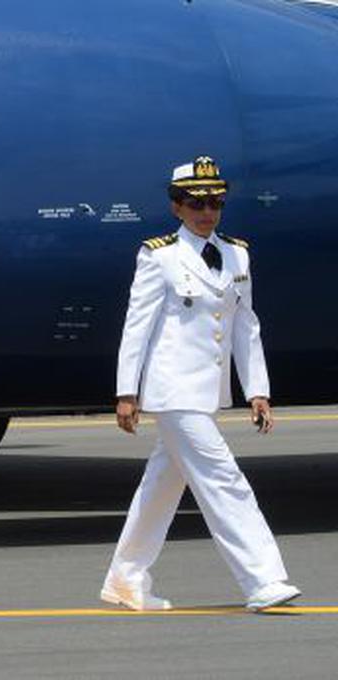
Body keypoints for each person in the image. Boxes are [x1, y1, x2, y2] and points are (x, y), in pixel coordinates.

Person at [104, 155, 301, 612]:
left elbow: (244, 326)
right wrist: (126, 392)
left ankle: (125, 578)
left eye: (215, 202)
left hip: (206, 393)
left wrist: (258, 389)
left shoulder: (237, 253)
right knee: (223, 479)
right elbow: (138, 326)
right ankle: (263, 579)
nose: (206, 211)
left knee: (161, 488)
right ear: (176, 207)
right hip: (172, 391)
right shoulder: (159, 256)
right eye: (195, 202)